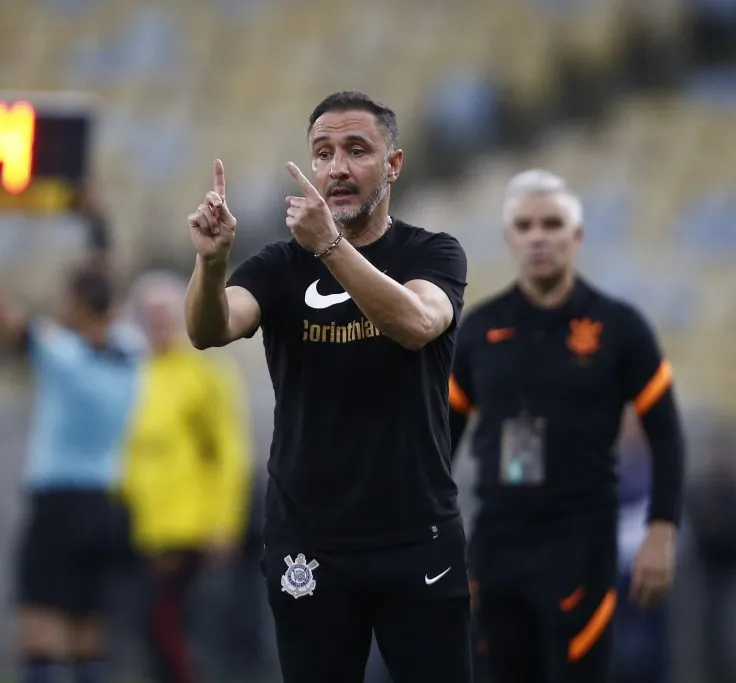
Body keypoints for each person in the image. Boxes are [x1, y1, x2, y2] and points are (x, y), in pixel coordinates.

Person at [183, 90, 472, 683]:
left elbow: (417, 324)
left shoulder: (432, 253)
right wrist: (210, 265)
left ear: (393, 166)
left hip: (416, 535)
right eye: (323, 152)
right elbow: (209, 328)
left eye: (356, 150)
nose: (337, 167)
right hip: (309, 542)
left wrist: (332, 249)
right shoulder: (280, 265)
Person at [448, 169, 685, 683]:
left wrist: (662, 531)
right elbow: (442, 437)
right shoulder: (480, 330)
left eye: (552, 224)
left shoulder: (619, 327)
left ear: (576, 236)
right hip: (497, 544)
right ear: (510, 237)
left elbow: (666, 433)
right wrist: (431, 531)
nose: (538, 236)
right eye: (525, 225)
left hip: (581, 541)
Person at [0, 192, 138, 683]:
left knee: (40, 637)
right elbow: (101, 288)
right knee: (87, 641)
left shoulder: (62, 355)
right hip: (107, 505)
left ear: (76, 304)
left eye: (65, 298)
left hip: (58, 507)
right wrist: (99, 224)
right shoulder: (132, 353)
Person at [122, 270, 253, 683]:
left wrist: (225, 521)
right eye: (147, 314)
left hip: (195, 529)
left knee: (191, 635)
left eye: (164, 312)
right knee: (156, 634)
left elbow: (231, 452)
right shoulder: (133, 374)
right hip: (145, 529)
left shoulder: (205, 372)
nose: (156, 322)